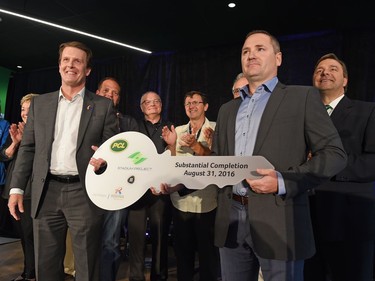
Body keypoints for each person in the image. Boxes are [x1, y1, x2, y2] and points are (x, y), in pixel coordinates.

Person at [210, 30, 347, 281]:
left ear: (279, 58)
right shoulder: (228, 109)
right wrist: (182, 178)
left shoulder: (302, 97)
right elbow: (218, 162)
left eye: (260, 49)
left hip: (280, 220)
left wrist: (283, 181)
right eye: (245, 51)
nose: (251, 55)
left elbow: (335, 154)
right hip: (231, 220)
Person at [7, 41, 118, 281]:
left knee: (88, 267)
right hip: (45, 193)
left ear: (87, 69)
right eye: (66, 60)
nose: (71, 65)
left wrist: (105, 161)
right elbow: (27, 148)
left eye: (78, 61)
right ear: (59, 66)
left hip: (84, 193)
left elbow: (112, 153)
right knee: (45, 267)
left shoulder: (103, 106)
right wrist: (16, 188)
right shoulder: (40, 104)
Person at [303, 53, 375, 281]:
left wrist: (326, 163)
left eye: (333, 69)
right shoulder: (301, 117)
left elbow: (372, 161)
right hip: (305, 221)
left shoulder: (368, 111)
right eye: (319, 70)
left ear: (345, 80)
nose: (325, 72)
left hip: (348, 222)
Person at [155, 91, 219, 281]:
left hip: (207, 203)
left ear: (205, 106)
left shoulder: (216, 129)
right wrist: (172, 146)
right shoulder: (179, 130)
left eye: (196, 102)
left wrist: (201, 147)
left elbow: (216, 166)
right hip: (180, 203)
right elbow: (172, 166)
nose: (191, 106)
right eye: (187, 103)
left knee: (208, 258)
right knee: (183, 256)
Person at [127, 91, 172, 281]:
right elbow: (129, 153)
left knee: (160, 238)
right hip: (137, 190)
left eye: (156, 101)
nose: (152, 104)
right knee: (136, 240)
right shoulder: (133, 127)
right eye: (147, 101)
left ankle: (159, 277)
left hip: (160, 191)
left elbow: (173, 157)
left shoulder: (170, 127)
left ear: (161, 105)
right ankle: (136, 277)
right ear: (141, 106)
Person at [96, 76, 138, 281]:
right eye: (106, 91)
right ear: (97, 93)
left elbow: (136, 156)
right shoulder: (83, 118)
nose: (110, 95)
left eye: (115, 92)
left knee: (111, 242)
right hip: (86, 191)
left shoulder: (128, 122)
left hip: (116, 192)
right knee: (86, 240)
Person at [1, 93, 38, 281]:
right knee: (23, 236)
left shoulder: (43, 131)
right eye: (23, 109)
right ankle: (28, 271)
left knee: (31, 236)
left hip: (31, 192)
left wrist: (27, 141)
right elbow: (4, 156)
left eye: (29, 109)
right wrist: (16, 142)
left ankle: (32, 274)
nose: (24, 113)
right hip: (12, 190)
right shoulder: (16, 130)